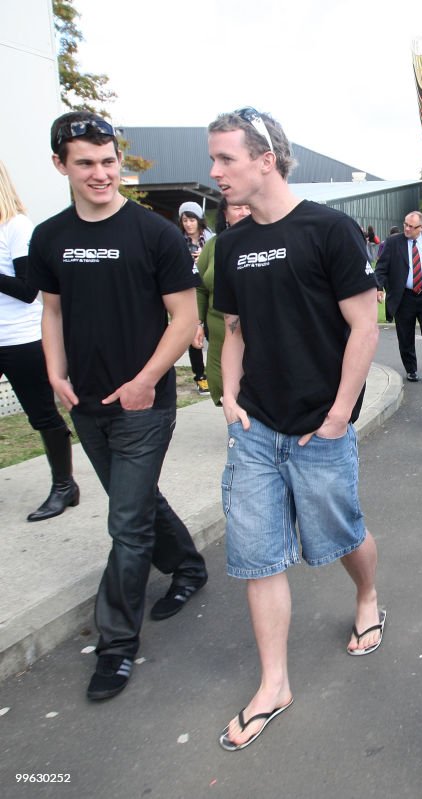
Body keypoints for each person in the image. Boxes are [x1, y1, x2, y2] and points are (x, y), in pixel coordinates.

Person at [207, 107, 382, 751]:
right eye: (214, 159)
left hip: (320, 427)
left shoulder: (329, 230)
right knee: (258, 555)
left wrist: (338, 416)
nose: (215, 171)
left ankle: (367, 597)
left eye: (226, 158)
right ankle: (273, 683)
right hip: (255, 426)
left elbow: (365, 328)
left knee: (340, 536)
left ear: (266, 159)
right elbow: (233, 330)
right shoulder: (230, 244)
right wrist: (228, 397)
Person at [27, 111, 208, 700]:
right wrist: (54, 369)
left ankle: (115, 647)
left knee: (125, 525)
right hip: (85, 401)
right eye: (86, 163)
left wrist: (145, 380)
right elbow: (52, 309)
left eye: (109, 162)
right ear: (61, 165)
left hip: (144, 404)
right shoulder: (49, 236)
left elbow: (185, 318)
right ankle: (188, 565)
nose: (102, 174)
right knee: (138, 503)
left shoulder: (153, 233)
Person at [0, 159, 80, 522]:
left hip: (21, 339)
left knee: (41, 413)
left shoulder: (16, 226)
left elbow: (28, 290)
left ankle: (64, 485)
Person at [374, 211, 422, 384]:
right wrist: (378, 287)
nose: (407, 229)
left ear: (421, 228)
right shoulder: (392, 243)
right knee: (405, 336)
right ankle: (411, 369)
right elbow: (381, 268)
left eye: (412, 227)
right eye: (406, 224)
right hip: (404, 297)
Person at [194, 197, 250, 405]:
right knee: (225, 391)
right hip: (218, 336)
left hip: (255, 336)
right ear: (225, 214)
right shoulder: (214, 245)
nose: (244, 212)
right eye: (237, 207)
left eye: (248, 206)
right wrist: (197, 322)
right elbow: (199, 287)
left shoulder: (266, 240)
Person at [178, 201, 214, 395]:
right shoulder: (177, 240)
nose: (188, 224)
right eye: (185, 220)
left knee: (212, 334)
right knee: (193, 335)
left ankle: (217, 372)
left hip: (207, 291)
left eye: (192, 219)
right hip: (188, 291)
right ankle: (200, 376)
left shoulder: (211, 239)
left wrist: (204, 257)